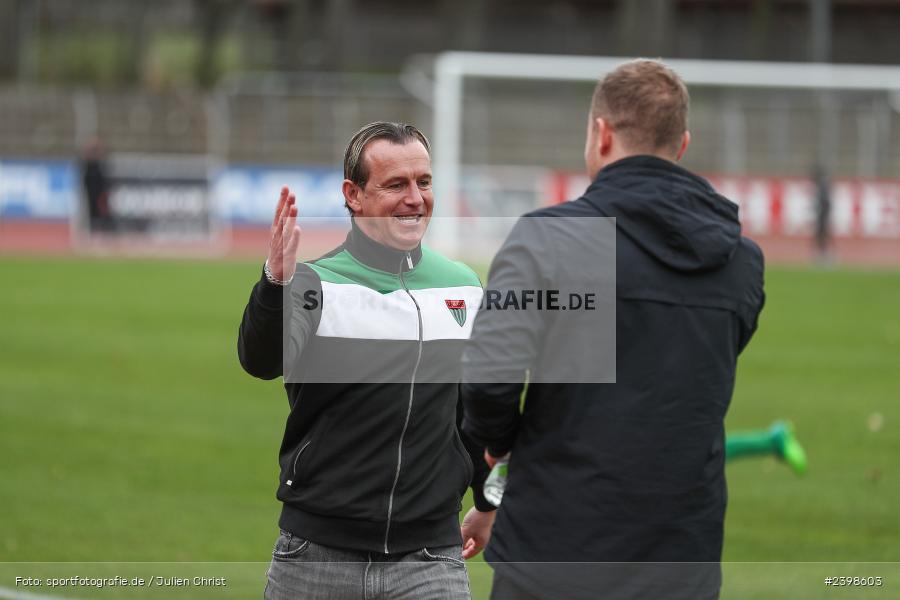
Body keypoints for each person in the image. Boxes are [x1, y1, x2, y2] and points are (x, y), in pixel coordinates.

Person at [459, 59, 766, 600]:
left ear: (601, 134)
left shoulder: (545, 239)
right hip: (683, 561)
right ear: (682, 144)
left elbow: (488, 382)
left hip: (555, 552)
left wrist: (497, 453)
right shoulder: (742, 261)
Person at [237, 122, 492, 600]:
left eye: (424, 182)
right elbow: (260, 359)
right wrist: (275, 282)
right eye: (396, 184)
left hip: (430, 558)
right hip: (316, 555)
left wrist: (488, 498)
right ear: (353, 195)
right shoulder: (314, 282)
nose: (416, 198)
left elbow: (475, 410)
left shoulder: (462, 285)